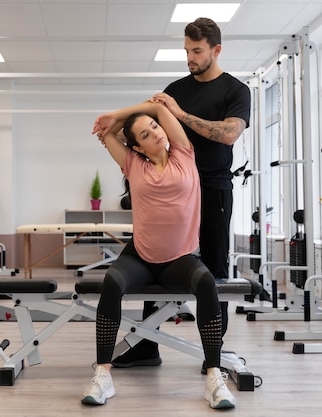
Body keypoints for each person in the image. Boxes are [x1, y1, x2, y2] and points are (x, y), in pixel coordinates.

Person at [111, 17, 251, 371]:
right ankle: (145, 346)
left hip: (213, 187)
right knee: (157, 261)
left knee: (214, 270)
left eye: (197, 51)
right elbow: (148, 114)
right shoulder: (176, 87)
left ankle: (212, 354)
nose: (190, 57)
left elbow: (229, 134)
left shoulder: (235, 91)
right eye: (187, 50)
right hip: (169, 187)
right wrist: (116, 115)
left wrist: (180, 114)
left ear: (216, 50)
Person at [81, 100, 236, 409]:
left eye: (153, 127)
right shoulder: (133, 164)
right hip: (140, 257)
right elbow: (105, 134)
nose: (155, 132)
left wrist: (120, 114)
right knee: (111, 282)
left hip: (179, 258)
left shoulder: (184, 153)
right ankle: (103, 374)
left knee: (206, 284)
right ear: (136, 147)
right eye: (146, 134)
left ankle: (214, 377)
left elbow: (159, 105)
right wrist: (110, 126)